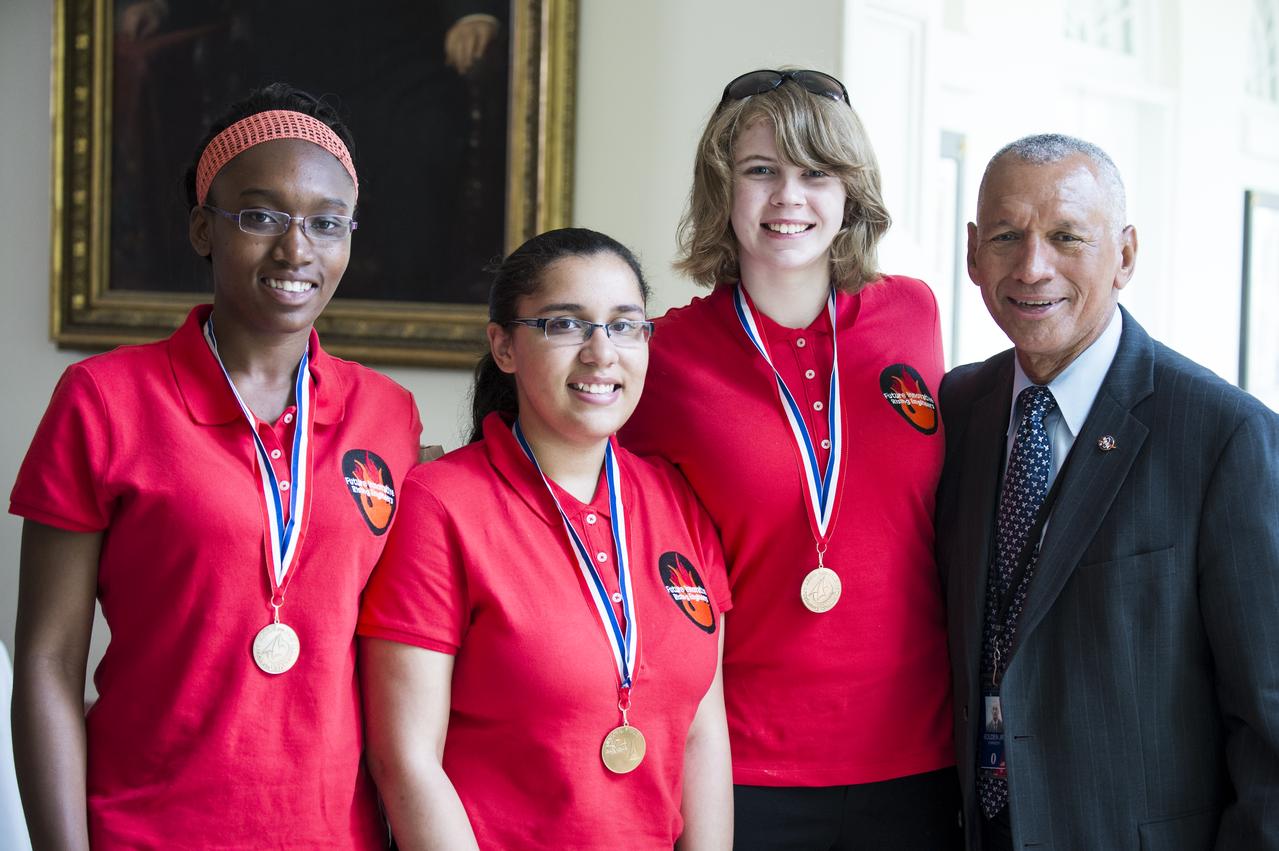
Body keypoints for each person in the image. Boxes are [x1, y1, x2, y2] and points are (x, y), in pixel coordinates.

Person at [9, 83, 422, 848]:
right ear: (204, 227)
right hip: (143, 828)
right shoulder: (102, 399)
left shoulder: (388, 415)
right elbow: (45, 659)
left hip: (337, 833)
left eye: (326, 223)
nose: (297, 249)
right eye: (260, 215)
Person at [621, 69, 959, 848]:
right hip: (743, 766)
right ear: (722, 187)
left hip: (918, 756)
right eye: (759, 171)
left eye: (815, 173)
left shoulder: (913, 313)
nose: (788, 198)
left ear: (850, 192)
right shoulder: (662, 354)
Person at [936, 133, 1279, 850]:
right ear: (972, 252)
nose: (1032, 266)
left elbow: (1269, 717)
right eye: (1006, 235)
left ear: (1124, 254)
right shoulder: (957, 408)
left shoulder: (1223, 437)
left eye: (1066, 236)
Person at [358, 228, 733, 850]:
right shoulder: (441, 505)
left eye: (624, 325)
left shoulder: (678, 499)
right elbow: (406, 761)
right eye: (565, 325)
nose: (600, 352)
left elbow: (703, 734)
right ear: (504, 346)